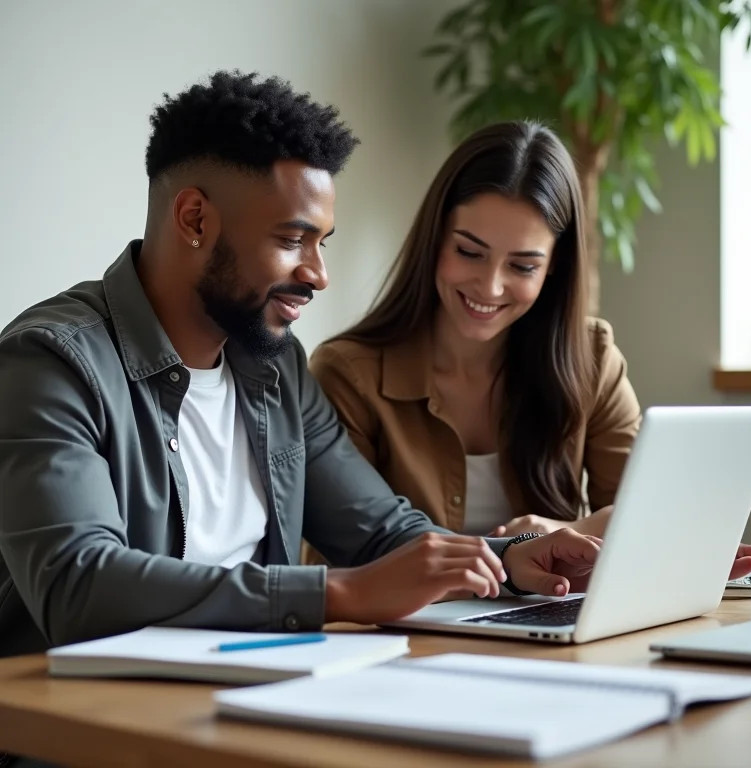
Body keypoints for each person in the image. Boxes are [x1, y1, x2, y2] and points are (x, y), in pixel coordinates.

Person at [0, 73, 608, 670]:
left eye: (323, 243)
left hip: (251, 693)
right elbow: (78, 584)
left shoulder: (273, 365)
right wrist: (335, 594)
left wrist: (508, 560)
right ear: (193, 220)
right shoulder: (50, 362)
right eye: (293, 240)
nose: (318, 274)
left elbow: (381, 533)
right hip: (85, 726)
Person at [308, 120, 751, 568]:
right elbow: (347, 552)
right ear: (434, 240)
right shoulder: (350, 373)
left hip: (550, 629)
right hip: (403, 634)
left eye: (523, 266)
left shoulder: (592, 360)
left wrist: (562, 536)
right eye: (469, 251)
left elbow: (650, 518)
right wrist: (541, 545)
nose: (489, 287)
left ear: (553, 269)